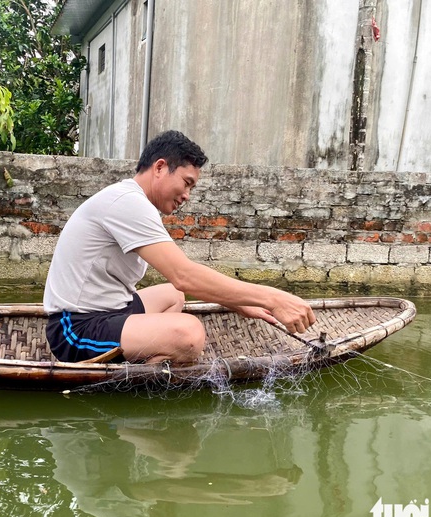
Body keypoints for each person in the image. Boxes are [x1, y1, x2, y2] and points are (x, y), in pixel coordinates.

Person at [43, 130, 315, 363]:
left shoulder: (133, 200)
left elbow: (181, 284)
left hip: (112, 311)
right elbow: (184, 275)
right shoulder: (126, 202)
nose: (187, 196)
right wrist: (273, 298)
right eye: (187, 183)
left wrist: (239, 303)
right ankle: (143, 372)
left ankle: (151, 358)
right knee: (189, 334)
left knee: (174, 295)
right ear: (160, 167)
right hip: (75, 328)